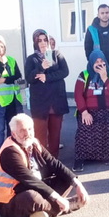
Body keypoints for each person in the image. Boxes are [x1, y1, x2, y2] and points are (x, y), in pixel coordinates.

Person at [0, 113, 89, 217]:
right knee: (31, 197)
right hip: (10, 200)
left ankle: (46, 211)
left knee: (66, 179)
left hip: (33, 186)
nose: (27, 133)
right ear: (14, 134)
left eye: (30, 129)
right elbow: (29, 179)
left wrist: (78, 184)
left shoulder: (33, 142)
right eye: (22, 130)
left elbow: (55, 164)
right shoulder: (9, 152)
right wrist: (57, 198)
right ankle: (69, 205)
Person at [72, 50, 109, 172]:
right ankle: (80, 159)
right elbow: (78, 95)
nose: (100, 64)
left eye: (102, 61)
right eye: (96, 62)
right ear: (91, 63)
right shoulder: (84, 75)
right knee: (85, 128)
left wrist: (105, 78)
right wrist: (84, 112)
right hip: (88, 110)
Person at [24, 29, 70, 158]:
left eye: (45, 40)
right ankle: (42, 163)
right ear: (35, 42)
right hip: (40, 103)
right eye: (40, 40)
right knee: (40, 137)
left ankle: (54, 162)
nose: (43, 43)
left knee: (55, 137)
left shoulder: (56, 54)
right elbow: (29, 78)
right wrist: (41, 68)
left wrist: (46, 77)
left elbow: (65, 72)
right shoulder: (31, 59)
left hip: (56, 101)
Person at [84, 4, 109, 72]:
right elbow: (88, 50)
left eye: (107, 12)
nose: (105, 15)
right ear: (98, 15)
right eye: (102, 13)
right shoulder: (91, 30)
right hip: (99, 68)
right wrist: (94, 64)